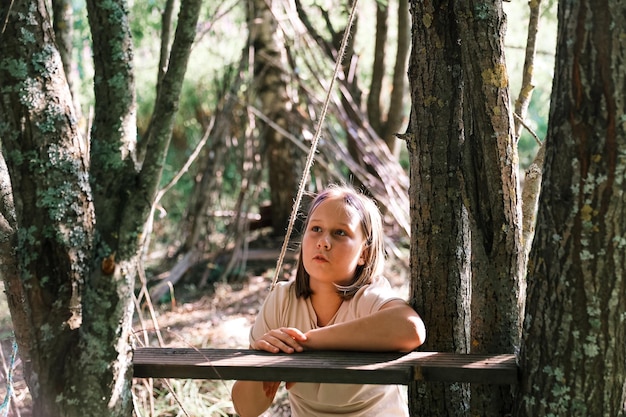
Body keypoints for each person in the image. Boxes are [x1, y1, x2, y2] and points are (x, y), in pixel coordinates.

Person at [231, 184, 426, 417]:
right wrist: (264, 362)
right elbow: (245, 409)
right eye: (316, 228)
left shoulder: (369, 299)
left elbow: (411, 329)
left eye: (340, 233)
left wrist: (305, 342)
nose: (323, 242)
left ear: (364, 253)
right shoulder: (282, 300)